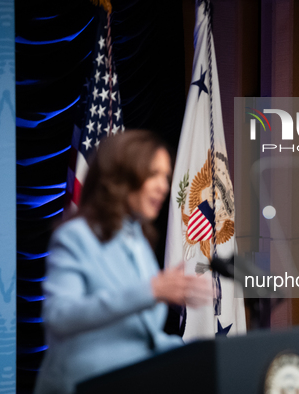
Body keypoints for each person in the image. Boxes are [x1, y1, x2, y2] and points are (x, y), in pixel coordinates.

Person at [34, 130, 211, 394]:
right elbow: (59, 316)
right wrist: (151, 290)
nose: (164, 186)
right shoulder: (74, 237)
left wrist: (205, 353)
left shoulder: (137, 239)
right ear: (121, 177)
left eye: (166, 176)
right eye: (153, 174)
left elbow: (143, 338)